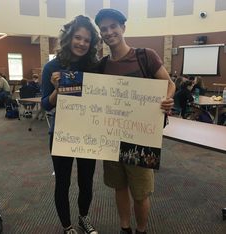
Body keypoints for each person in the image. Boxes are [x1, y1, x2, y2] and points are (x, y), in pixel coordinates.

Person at [94, 8, 175, 234]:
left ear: (123, 28)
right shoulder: (101, 66)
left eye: (113, 27)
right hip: (112, 137)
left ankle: (141, 230)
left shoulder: (145, 55)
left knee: (140, 192)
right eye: (104, 29)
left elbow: (169, 83)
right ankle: (125, 228)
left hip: (141, 138)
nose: (109, 32)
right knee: (119, 187)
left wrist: (167, 99)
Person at [41, 15, 100, 234]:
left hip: (89, 133)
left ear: (92, 43)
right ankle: (67, 227)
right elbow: (46, 105)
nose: (82, 43)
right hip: (62, 134)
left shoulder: (95, 67)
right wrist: (58, 89)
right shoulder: (52, 67)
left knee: (86, 182)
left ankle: (84, 218)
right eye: (78, 37)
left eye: (87, 40)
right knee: (63, 183)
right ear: (68, 38)